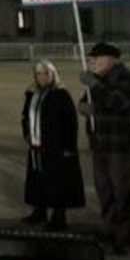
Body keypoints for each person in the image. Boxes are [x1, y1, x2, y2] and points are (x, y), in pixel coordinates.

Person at [79, 42, 130, 253]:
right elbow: (92, 103)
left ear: (111, 59)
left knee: (123, 191)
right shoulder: (98, 81)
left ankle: (127, 236)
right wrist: (84, 107)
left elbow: (118, 102)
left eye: (96, 59)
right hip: (100, 143)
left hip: (120, 144)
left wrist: (93, 85)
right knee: (105, 189)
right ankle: (110, 228)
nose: (92, 62)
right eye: (91, 59)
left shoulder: (128, 78)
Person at [20, 59, 85, 231]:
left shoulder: (61, 95)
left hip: (55, 147)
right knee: (37, 180)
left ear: (53, 74)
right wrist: (26, 132)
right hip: (36, 145)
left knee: (57, 182)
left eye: (46, 73)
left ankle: (58, 217)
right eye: (39, 74)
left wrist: (69, 147)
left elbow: (71, 123)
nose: (42, 77)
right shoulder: (32, 94)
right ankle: (39, 211)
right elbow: (26, 116)